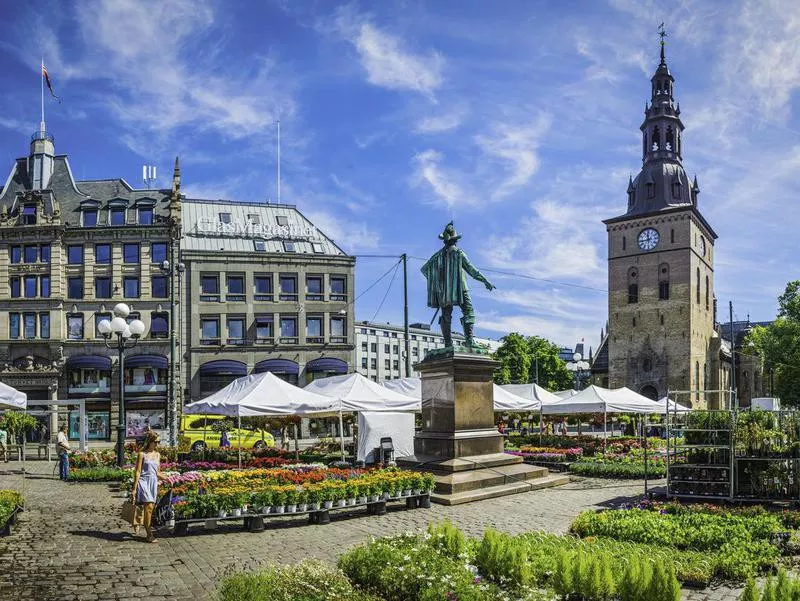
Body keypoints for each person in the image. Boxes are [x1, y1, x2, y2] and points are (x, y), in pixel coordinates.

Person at [130, 431, 166, 543]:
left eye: (158, 442)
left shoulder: (157, 455)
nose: (157, 444)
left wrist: (169, 478)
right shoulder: (142, 454)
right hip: (144, 482)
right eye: (155, 442)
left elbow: (157, 472)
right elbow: (138, 471)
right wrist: (134, 489)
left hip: (153, 482)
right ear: (149, 442)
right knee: (149, 508)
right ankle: (149, 534)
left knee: (150, 509)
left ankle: (141, 524)